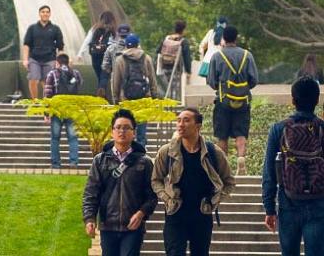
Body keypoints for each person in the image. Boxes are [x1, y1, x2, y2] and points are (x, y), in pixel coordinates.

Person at [152, 107, 235, 256]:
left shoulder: (214, 152)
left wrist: (215, 200)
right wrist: (167, 198)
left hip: (202, 214)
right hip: (175, 213)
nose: (180, 124)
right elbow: (156, 180)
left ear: (198, 126)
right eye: (178, 120)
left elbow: (229, 182)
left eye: (186, 120)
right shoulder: (167, 151)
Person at [262, 76, 324, 256]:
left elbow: (269, 172)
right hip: (319, 203)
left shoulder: (278, 129)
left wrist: (269, 208)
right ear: (317, 100)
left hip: (288, 203)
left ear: (292, 100)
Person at [83, 109, 158, 256]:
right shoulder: (100, 160)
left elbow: (152, 196)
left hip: (133, 227)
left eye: (126, 128)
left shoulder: (145, 162)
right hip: (107, 226)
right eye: (118, 127)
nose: (121, 131)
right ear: (112, 132)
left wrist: (141, 213)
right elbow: (91, 193)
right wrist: (89, 218)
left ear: (134, 133)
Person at [207, 25, 258, 175]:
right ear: (236, 38)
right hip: (243, 101)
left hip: (223, 101)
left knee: (222, 135)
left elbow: (211, 81)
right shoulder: (247, 55)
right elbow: (254, 80)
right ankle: (241, 159)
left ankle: (225, 166)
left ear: (224, 38)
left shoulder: (217, 56)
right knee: (241, 133)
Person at [112, 34, 158, 147]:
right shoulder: (146, 58)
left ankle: (129, 153)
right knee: (141, 131)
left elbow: (116, 81)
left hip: (126, 99)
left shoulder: (120, 60)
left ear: (126, 45)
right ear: (138, 44)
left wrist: (116, 99)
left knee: (127, 129)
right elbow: (152, 78)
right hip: (144, 98)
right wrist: (154, 96)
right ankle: (141, 155)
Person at [22, 5, 64, 99]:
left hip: (49, 59)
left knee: (46, 82)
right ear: (39, 14)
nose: (45, 14)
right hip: (34, 58)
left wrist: (59, 61)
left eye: (47, 12)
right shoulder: (32, 28)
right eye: (43, 12)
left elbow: (60, 47)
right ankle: (35, 101)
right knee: (33, 79)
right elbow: (26, 44)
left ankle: (46, 103)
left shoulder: (55, 29)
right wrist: (25, 59)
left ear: (50, 14)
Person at [77, 10, 117, 87]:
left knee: (99, 76)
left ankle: (101, 93)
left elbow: (87, 41)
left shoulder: (94, 28)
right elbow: (114, 45)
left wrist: (80, 53)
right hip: (106, 56)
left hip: (94, 54)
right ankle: (102, 93)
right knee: (104, 76)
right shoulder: (113, 30)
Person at [156, 20, 192, 99]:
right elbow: (187, 58)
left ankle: (168, 103)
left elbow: (158, 50)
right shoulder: (183, 41)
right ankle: (174, 106)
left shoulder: (167, 38)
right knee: (176, 90)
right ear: (183, 30)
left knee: (167, 88)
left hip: (164, 67)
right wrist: (188, 72)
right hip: (176, 69)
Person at [99, 23, 131, 101]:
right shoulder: (136, 48)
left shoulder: (111, 48)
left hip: (115, 76)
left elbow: (104, 65)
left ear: (118, 34)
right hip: (132, 77)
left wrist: (111, 70)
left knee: (116, 100)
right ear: (129, 34)